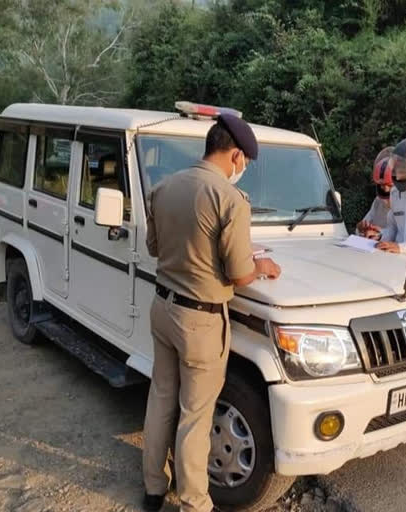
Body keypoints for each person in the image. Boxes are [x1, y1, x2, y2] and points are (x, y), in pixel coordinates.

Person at [142, 114, 282, 512]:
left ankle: (153, 489)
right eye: (245, 163)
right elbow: (239, 275)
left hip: (163, 307)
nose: (243, 170)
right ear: (236, 155)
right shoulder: (229, 199)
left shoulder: (164, 187)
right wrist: (261, 267)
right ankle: (194, 503)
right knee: (196, 416)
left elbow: (155, 248)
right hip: (200, 321)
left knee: (161, 398)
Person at [356, 146, 394, 235]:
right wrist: (361, 228)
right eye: (381, 185)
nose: (385, 189)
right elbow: (361, 228)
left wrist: (379, 234)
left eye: (390, 185)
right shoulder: (378, 201)